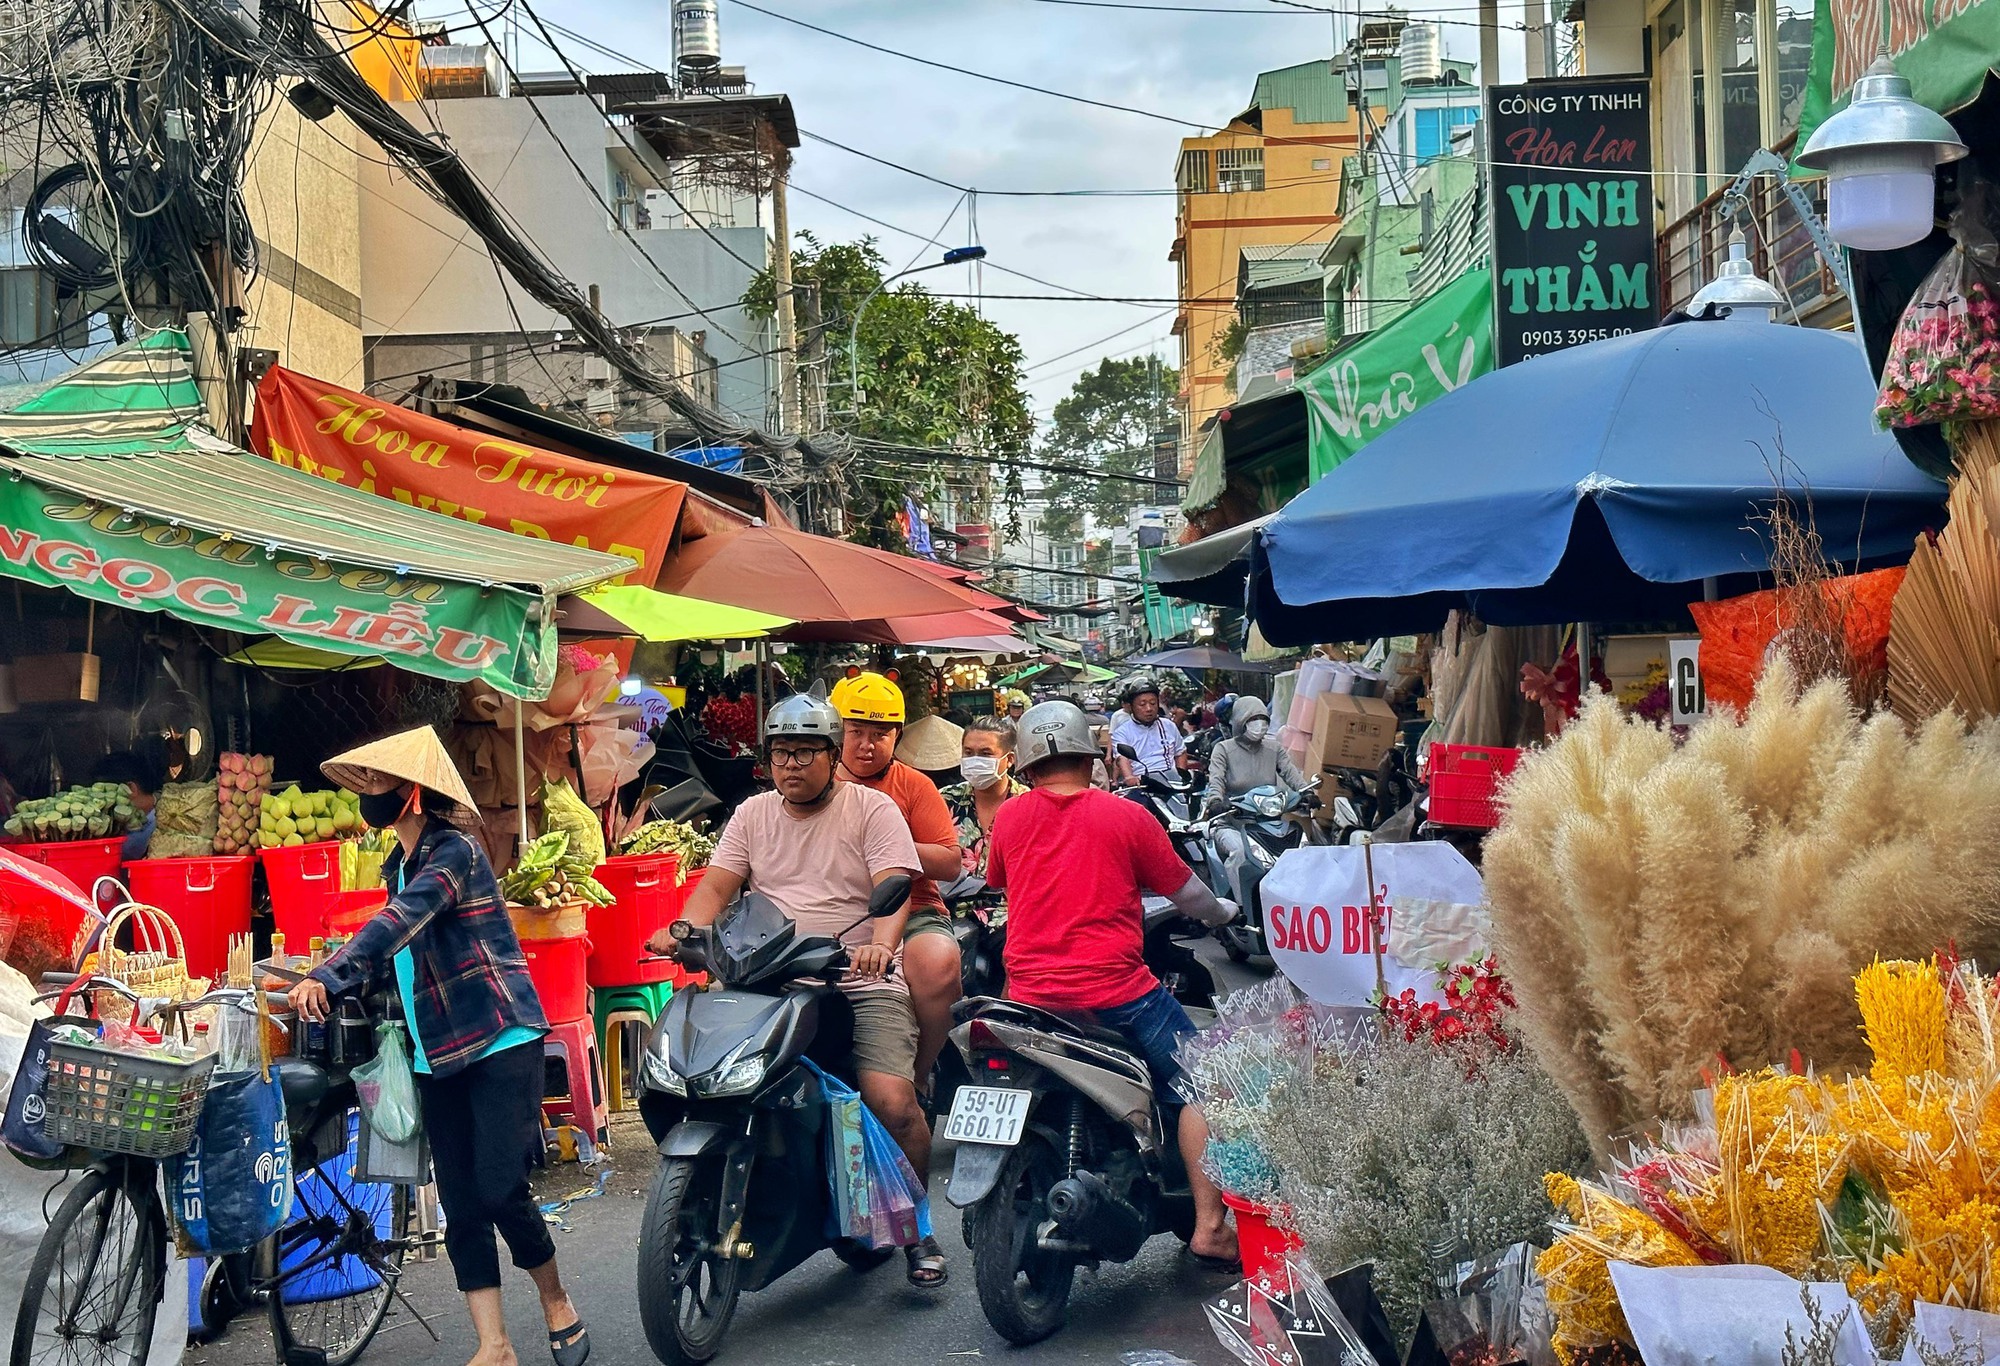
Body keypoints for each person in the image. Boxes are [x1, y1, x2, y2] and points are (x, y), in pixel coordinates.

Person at [288, 727, 587, 1366]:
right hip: (434, 1052)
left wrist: (332, 971)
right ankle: (494, 1344)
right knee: (458, 1197)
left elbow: (398, 923)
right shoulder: (397, 865)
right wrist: (316, 975)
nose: (369, 795)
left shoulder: (453, 853)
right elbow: (390, 955)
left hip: (499, 1036)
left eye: (379, 784)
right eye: (363, 784)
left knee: (501, 1185)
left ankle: (556, 1300)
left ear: (415, 794)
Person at [645, 684, 949, 1289]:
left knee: (891, 1100)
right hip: (768, 977)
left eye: (806, 752)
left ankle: (914, 1229)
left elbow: (894, 888)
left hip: (854, 976)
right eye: (782, 753)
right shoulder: (752, 814)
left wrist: (880, 946)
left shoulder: (872, 809)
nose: (792, 764)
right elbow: (716, 888)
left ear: (831, 754)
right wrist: (682, 930)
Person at [986, 702, 1240, 1268]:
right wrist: (1223, 913)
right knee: (1204, 1082)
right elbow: (1189, 894)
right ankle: (1208, 1228)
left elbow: (999, 881)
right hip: (1118, 995)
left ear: (1025, 767)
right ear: (1094, 755)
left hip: (1026, 1001)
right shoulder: (1126, 817)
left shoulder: (1008, 818)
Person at [827, 674, 964, 1106]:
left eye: (880, 734)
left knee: (938, 964)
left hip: (915, 906)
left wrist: (889, 841)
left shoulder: (914, 785)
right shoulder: (817, 778)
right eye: (856, 733)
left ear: (897, 736)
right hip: (835, 908)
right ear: (837, 732)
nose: (867, 745)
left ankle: (919, 1076)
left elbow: (949, 860)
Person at [935, 715, 1028, 920]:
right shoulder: (945, 800)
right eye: (969, 753)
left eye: (986, 754)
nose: (975, 760)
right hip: (949, 912)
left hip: (1010, 914)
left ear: (1009, 759)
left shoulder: (1028, 804)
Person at [1203, 697, 1309, 811]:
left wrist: (1306, 791)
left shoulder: (1274, 748)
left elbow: (1290, 772)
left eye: (1262, 719)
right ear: (1240, 720)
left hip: (1271, 812)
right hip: (1236, 815)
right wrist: (1215, 800)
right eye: (1253, 719)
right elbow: (1216, 779)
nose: (1259, 724)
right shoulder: (1223, 749)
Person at [1110, 677, 1186, 785]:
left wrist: (1181, 776)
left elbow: (1181, 752)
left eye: (1153, 703)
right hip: (1142, 785)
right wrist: (1129, 777)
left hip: (1170, 782)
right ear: (1132, 706)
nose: (1149, 708)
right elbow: (1122, 758)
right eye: (1142, 704)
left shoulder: (1169, 726)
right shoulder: (1122, 732)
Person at [93, 748, 163, 863]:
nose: (101, 803)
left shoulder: (163, 826)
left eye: (106, 794)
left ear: (130, 789)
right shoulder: (118, 826)